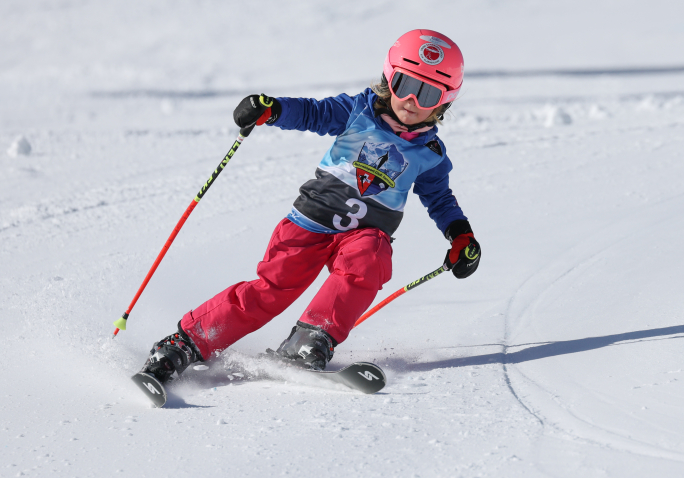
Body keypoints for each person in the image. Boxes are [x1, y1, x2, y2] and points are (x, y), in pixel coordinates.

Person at [136, 29, 481, 384]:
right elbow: (313, 113)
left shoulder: (430, 156)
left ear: (445, 102)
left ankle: (310, 339)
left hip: (363, 235)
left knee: (370, 258)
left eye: (427, 93)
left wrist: (460, 235)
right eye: (403, 83)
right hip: (309, 224)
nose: (411, 99)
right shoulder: (356, 111)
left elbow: (440, 199)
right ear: (388, 77)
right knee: (270, 292)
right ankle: (185, 344)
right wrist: (273, 109)